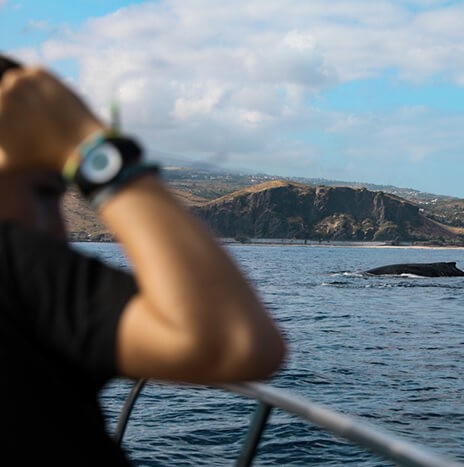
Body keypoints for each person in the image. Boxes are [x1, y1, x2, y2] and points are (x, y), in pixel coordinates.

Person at [0, 55, 287, 464]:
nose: (59, 229)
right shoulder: (13, 261)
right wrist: (95, 150)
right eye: (45, 194)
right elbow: (233, 341)